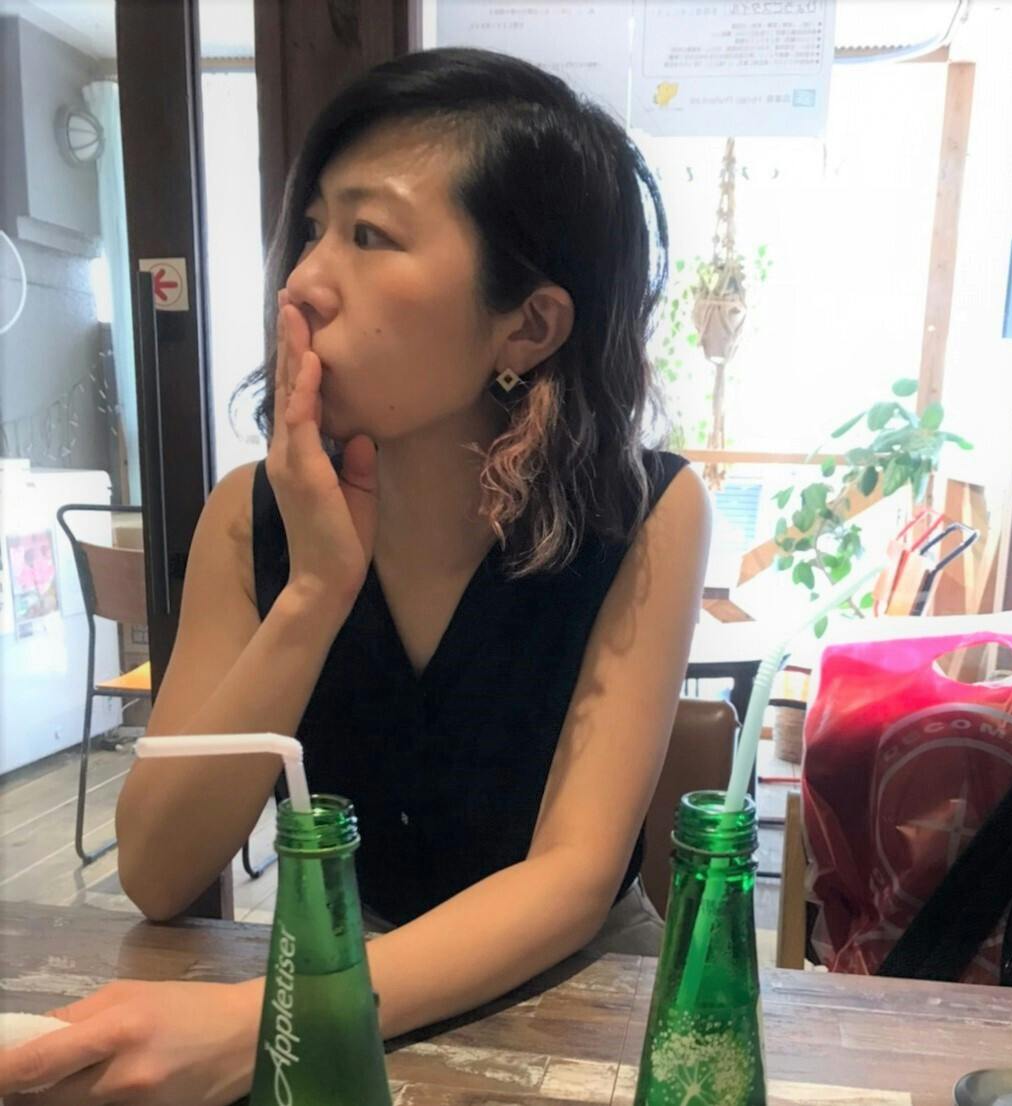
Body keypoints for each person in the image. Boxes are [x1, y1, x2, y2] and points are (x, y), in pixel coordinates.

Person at [0, 47, 710, 1105]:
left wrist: (263, 1019)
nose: (301, 282)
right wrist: (315, 591)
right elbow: (155, 867)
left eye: (369, 234)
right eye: (314, 227)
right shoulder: (249, 515)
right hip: (342, 975)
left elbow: (569, 881)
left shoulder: (644, 511)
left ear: (528, 325)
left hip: (583, 999)